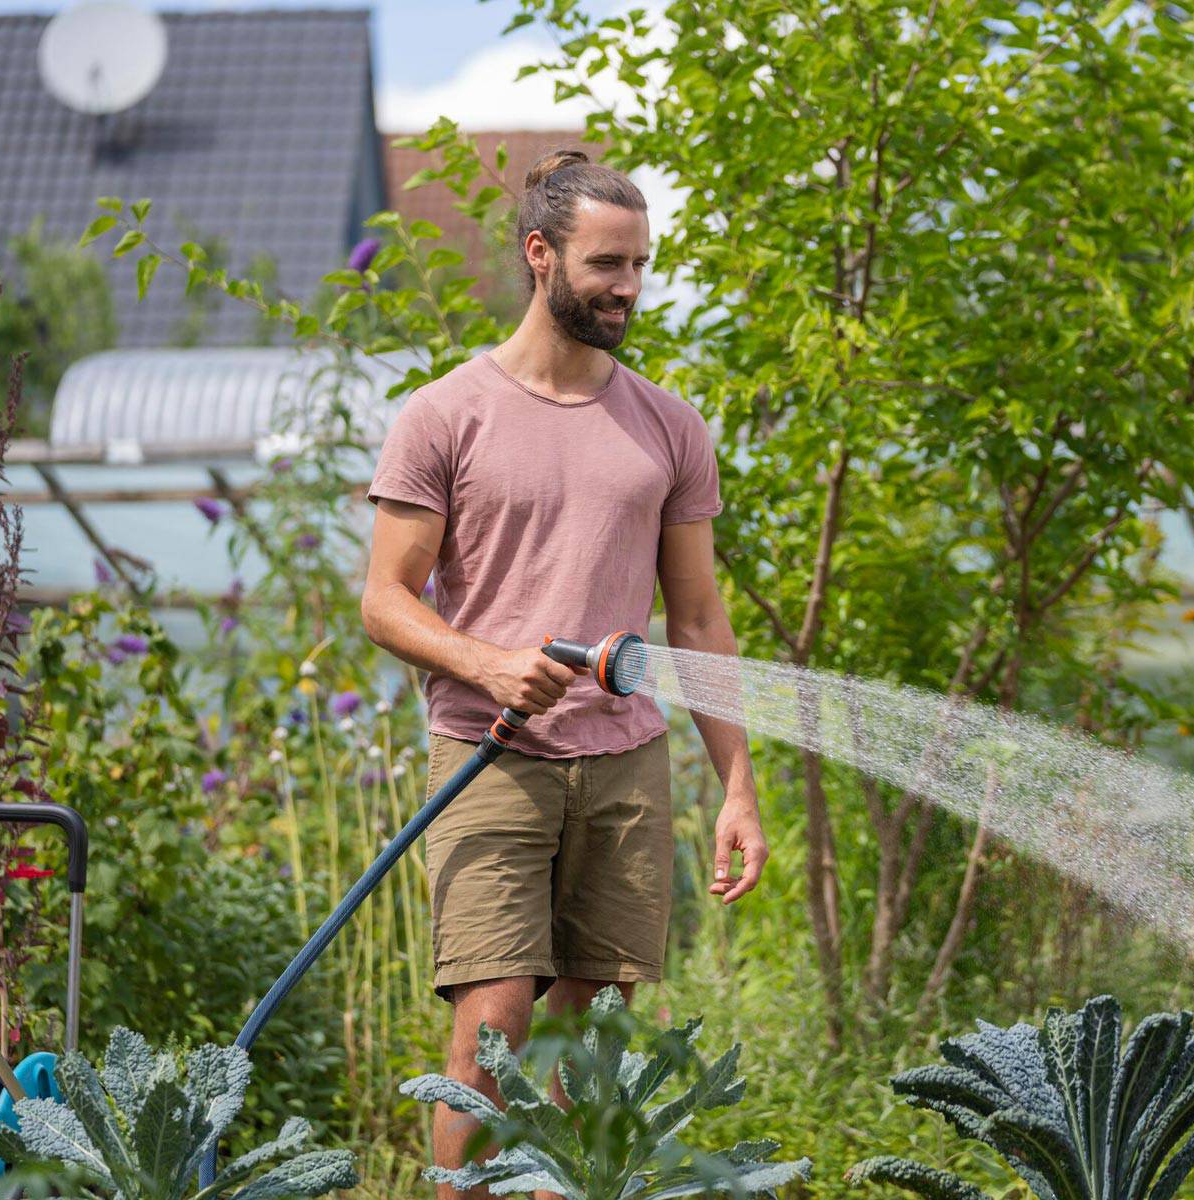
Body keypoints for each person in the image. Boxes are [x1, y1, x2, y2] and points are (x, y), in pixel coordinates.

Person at [359, 148, 768, 1200]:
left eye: (640, 264)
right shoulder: (445, 416)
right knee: (492, 1036)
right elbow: (386, 599)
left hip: (627, 764)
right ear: (540, 256)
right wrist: (487, 662)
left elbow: (700, 615)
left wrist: (737, 784)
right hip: (492, 760)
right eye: (606, 264)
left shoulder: (670, 426)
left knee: (588, 1046)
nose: (629, 287)